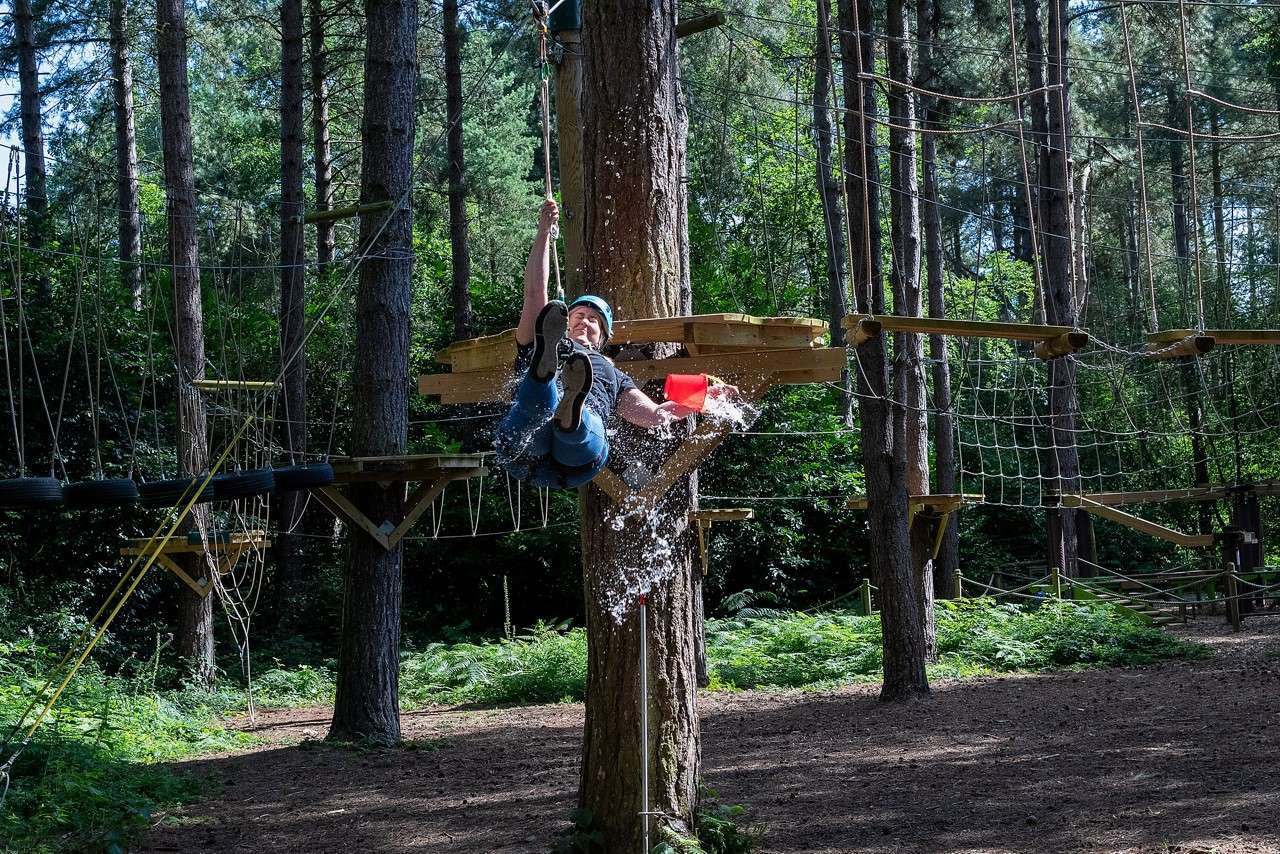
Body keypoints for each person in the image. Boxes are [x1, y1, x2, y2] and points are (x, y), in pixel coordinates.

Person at [494, 199, 710, 488]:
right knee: (537, 407)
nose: (585, 321)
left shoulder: (617, 377)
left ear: (604, 337)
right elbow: (534, 292)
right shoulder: (543, 335)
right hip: (526, 445)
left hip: (577, 461)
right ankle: (551, 380)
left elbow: (656, 416)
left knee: (576, 425)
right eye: (579, 315)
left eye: (594, 320)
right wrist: (543, 231)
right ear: (565, 323)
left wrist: (706, 396)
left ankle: (571, 409)